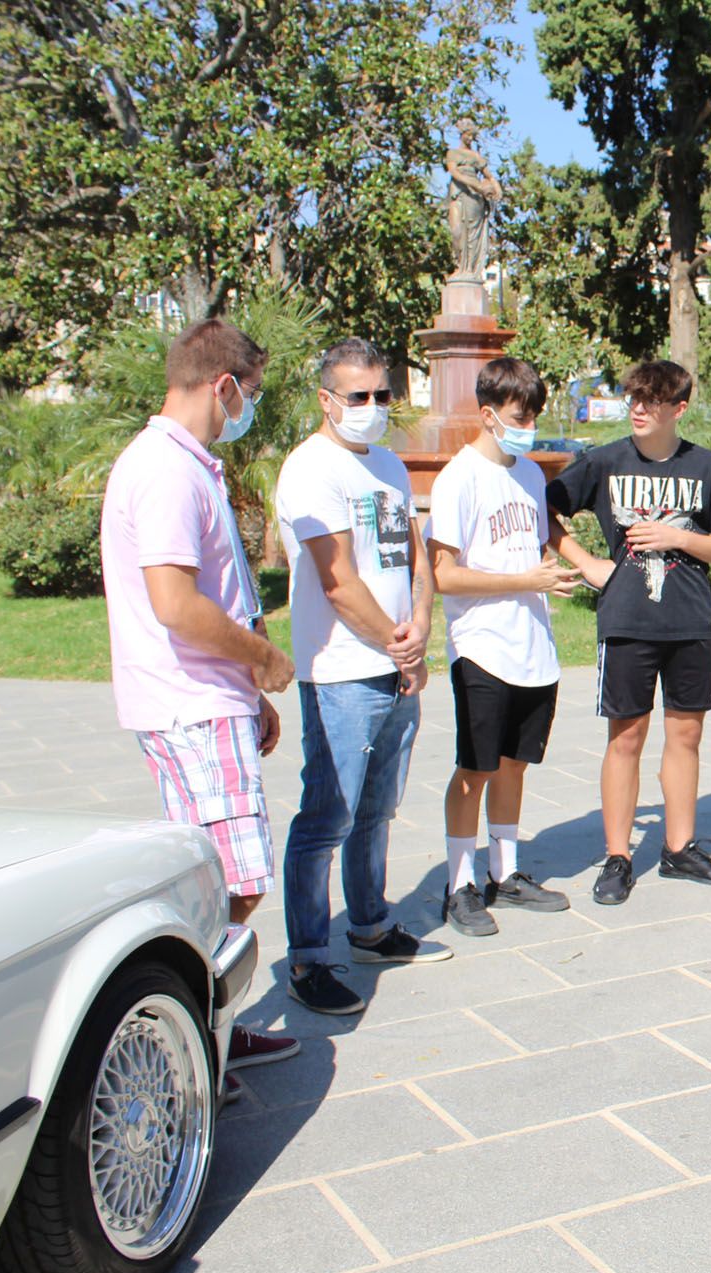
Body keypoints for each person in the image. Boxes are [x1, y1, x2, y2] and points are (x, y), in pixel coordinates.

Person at [99, 317, 302, 1103]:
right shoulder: (164, 470)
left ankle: (210, 1026)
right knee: (232, 883)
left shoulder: (187, 464)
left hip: (211, 698)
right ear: (222, 386)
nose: (245, 411)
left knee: (222, 875)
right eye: (246, 396)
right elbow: (178, 605)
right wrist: (264, 661)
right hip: (189, 701)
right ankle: (189, 1045)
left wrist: (246, 694)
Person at [276, 337, 449, 1015]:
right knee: (328, 814)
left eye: (382, 395)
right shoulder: (310, 469)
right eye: (359, 397)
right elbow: (338, 580)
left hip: (396, 664)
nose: (373, 408)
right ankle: (308, 957)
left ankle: (370, 924)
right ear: (327, 400)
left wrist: (422, 624)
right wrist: (396, 645)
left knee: (377, 808)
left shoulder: (388, 465)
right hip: (343, 672)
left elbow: (413, 553)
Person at [546, 359, 711, 906]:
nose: (638, 408)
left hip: (689, 623)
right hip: (627, 620)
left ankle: (679, 848)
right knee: (626, 737)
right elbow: (543, 509)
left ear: (678, 409)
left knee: (686, 736)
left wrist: (679, 538)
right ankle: (618, 856)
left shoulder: (706, 467)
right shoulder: (604, 462)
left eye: (652, 400)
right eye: (634, 397)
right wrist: (587, 563)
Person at [428, 357, 578, 935]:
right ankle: (459, 884)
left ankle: (505, 872)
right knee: (475, 768)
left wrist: (552, 574)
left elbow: (529, 550)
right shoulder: (457, 479)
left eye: (534, 415)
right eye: (519, 416)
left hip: (533, 647)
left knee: (515, 765)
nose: (528, 426)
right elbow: (443, 574)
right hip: (482, 648)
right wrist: (526, 581)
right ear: (488, 415)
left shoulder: (530, 476)